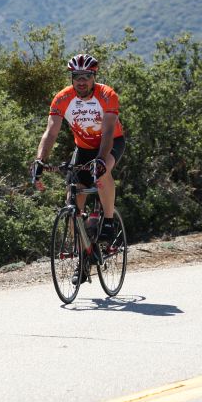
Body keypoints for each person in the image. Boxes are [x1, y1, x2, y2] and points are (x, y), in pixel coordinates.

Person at [32, 54, 126, 281]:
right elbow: (51, 132)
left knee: (101, 174)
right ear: (72, 77)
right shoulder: (62, 99)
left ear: (94, 76)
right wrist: (39, 161)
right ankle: (84, 255)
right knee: (72, 203)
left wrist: (101, 160)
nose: (81, 81)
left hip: (110, 143)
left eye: (86, 76)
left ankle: (109, 221)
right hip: (82, 149)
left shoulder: (107, 95)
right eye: (76, 76)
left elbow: (108, 131)